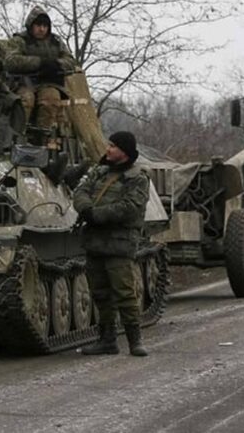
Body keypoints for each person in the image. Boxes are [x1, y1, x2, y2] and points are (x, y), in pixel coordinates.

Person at [73, 131, 150, 357]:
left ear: (124, 151)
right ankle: (107, 340)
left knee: (125, 293)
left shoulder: (138, 178)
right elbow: (80, 192)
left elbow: (129, 207)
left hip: (119, 242)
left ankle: (135, 341)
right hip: (95, 241)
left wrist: (96, 214)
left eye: (113, 146)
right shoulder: (99, 171)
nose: (108, 149)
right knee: (100, 293)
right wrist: (86, 209)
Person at [4, 6, 78, 130]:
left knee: (51, 100)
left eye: (45, 26)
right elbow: (11, 61)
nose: (42, 29)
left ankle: (43, 137)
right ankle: (18, 136)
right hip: (23, 82)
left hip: (48, 83)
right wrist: (39, 63)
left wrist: (56, 64)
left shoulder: (56, 42)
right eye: (38, 25)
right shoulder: (20, 40)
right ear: (31, 25)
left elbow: (71, 61)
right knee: (26, 101)